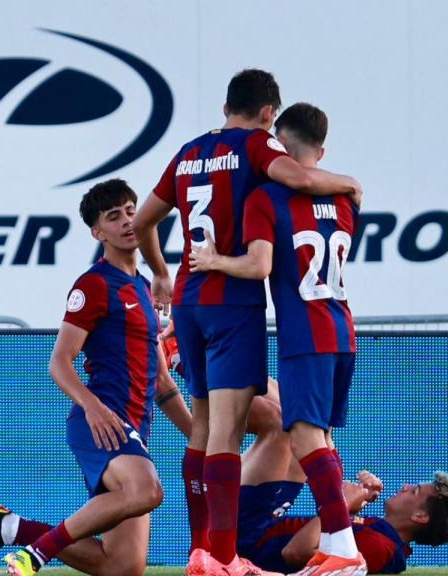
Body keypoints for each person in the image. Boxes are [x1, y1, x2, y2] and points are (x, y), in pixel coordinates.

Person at [132, 69, 362, 576]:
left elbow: (144, 222)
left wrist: (161, 273)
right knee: (227, 433)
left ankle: (200, 551)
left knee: (202, 427)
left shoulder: (189, 152)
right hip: (233, 302)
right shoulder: (258, 146)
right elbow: (300, 179)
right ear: (267, 114)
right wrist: (349, 184)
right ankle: (223, 556)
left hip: (188, 299)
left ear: (225, 107)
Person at [0, 179, 189, 576]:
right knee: (146, 490)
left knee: (123, 567)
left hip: (133, 428)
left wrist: (204, 441)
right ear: (97, 233)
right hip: (100, 424)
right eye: (113, 217)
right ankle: (35, 556)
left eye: (131, 211)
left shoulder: (143, 288)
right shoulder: (94, 284)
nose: (127, 222)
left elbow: (162, 384)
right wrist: (93, 407)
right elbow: (59, 362)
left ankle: (9, 528)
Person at [190, 101, 366, 575]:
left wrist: (213, 261)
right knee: (321, 438)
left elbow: (259, 265)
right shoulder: (346, 199)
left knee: (303, 435)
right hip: (343, 329)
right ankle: (336, 544)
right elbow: (325, 191)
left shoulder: (266, 198)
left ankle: (344, 549)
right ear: (321, 151)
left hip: (304, 332)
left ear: (278, 145)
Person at [235, 391, 448, 575]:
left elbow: (295, 553)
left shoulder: (381, 548)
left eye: (415, 491)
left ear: (420, 516)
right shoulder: (382, 532)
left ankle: (215, 417)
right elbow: (328, 496)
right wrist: (353, 498)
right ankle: (220, 381)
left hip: (248, 541)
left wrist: (343, 505)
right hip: (264, 525)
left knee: (279, 422)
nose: (406, 486)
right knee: (301, 419)